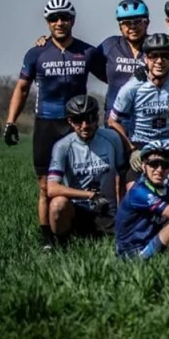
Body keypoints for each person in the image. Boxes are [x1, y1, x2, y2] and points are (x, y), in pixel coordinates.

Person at [5, 0, 96, 249]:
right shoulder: (37, 53)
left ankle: (81, 228)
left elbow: (113, 76)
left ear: (72, 21)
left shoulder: (87, 51)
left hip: (78, 126)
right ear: (47, 23)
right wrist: (10, 122)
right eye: (53, 19)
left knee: (83, 179)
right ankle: (47, 239)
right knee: (45, 185)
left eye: (64, 18)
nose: (59, 22)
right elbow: (22, 88)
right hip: (47, 123)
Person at [46, 95, 126, 248]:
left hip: (107, 211)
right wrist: (90, 195)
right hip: (78, 210)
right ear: (69, 121)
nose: (85, 125)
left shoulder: (112, 138)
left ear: (97, 118)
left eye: (90, 119)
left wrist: (123, 211)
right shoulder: (62, 146)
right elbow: (52, 188)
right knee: (57, 204)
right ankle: (61, 246)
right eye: (78, 120)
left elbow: (122, 177)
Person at [88, 0, 151, 125]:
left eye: (137, 22)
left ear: (147, 23)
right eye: (127, 23)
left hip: (146, 116)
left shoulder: (155, 45)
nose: (132, 27)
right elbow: (86, 57)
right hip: (115, 116)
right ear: (120, 26)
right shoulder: (110, 45)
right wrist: (48, 42)